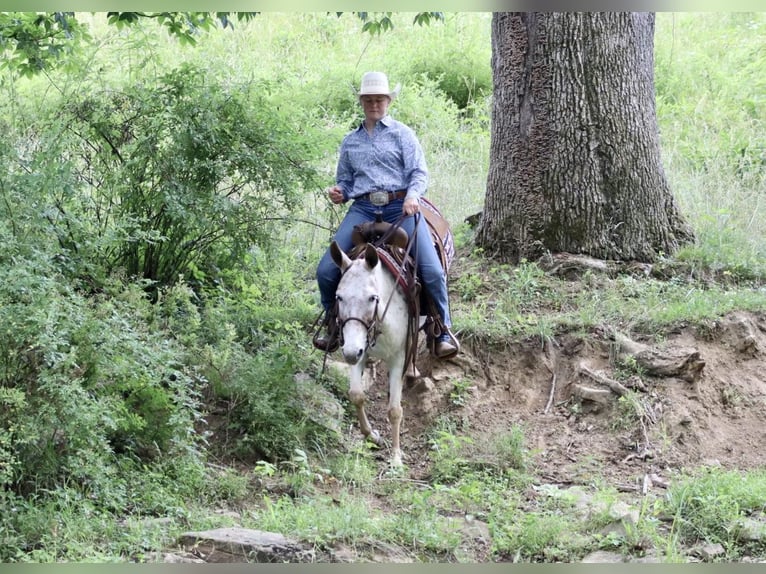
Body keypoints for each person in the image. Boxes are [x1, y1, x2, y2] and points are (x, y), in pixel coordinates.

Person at [314, 71, 459, 359]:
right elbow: (345, 179)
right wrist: (340, 192)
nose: (374, 104)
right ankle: (333, 323)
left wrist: (412, 196)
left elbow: (418, 172)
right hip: (364, 208)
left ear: (388, 101)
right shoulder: (350, 141)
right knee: (326, 270)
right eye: (369, 99)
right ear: (362, 102)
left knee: (431, 270)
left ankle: (442, 329)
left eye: (379, 98)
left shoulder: (403, 134)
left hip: (399, 207)